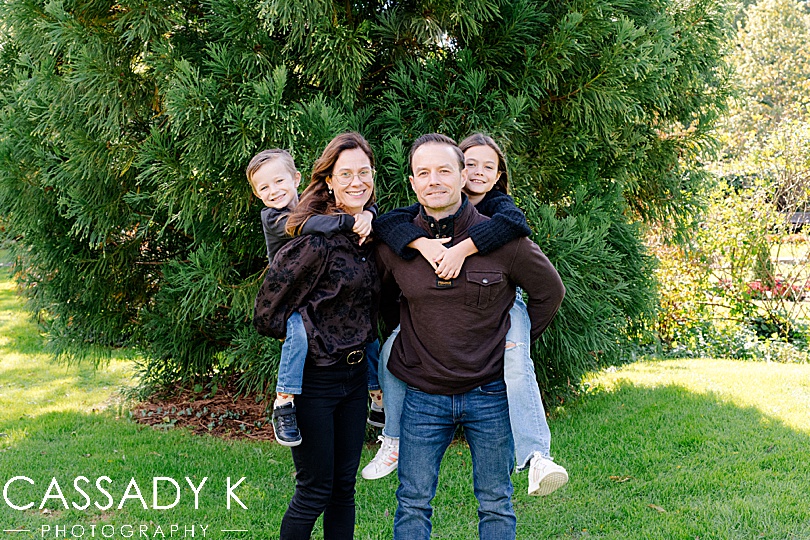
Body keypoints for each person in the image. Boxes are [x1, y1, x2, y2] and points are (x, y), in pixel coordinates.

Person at [375, 133, 565, 539]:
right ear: (412, 183)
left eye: (444, 170)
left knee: (496, 502)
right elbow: (385, 301)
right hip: (423, 397)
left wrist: (513, 342)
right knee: (412, 502)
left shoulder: (503, 238)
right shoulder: (397, 243)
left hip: (490, 395)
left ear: (464, 177)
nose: (434, 180)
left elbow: (549, 292)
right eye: (423, 173)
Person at [253, 132, 380, 539]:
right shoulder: (313, 239)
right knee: (314, 490)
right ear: (328, 180)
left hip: (355, 379)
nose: (356, 181)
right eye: (346, 174)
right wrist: (304, 330)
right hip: (316, 381)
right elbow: (267, 310)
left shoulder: (369, 229)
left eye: (364, 172)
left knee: (344, 488)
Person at [245, 149, 381, 447]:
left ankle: (377, 394)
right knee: (298, 336)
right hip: (291, 295)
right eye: (263, 188)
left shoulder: (311, 204)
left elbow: (364, 208)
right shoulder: (274, 216)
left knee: (369, 331)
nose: (273, 191)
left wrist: (368, 214)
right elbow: (314, 226)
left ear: (296, 179)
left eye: (278, 181)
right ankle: (284, 400)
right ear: (257, 195)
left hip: (317, 292)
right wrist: (352, 221)